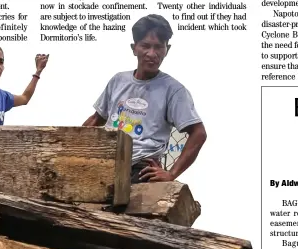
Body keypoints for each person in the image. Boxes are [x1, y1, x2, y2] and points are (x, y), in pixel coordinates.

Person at [83, 14, 207, 183]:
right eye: (146, 46)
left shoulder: (174, 91)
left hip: (141, 168)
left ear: (167, 50)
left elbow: (198, 133)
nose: (152, 53)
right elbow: (97, 119)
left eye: (158, 47)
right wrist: (71, 146)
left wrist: (171, 174)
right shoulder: (118, 81)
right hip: (106, 160)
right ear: (134, 48)